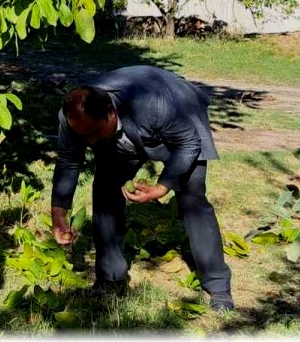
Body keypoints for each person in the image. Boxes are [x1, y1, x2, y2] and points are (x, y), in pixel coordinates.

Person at [49, 65, 235, 312]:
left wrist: (162, 187)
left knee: (192, 200)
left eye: (94, 132)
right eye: (85, 136)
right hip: (125, 137)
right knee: (105, 193)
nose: (90, 142)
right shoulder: (74, 118)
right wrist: (58, 212)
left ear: (110, 112)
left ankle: (218, 286)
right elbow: (68, 160)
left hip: (178, 123)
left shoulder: (153, 104)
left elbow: (188, 143)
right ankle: (110, 279)